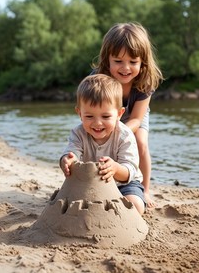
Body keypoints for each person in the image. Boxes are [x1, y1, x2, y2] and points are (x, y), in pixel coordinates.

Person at [93, 22, 163, 208]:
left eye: (133, 62)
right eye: (118, 61)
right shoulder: (99, 78)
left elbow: (137, 120)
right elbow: (90, 108)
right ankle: (98, 180)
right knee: (98, 141)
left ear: (143, 62)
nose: (126, 68)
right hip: (105, 112)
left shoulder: (144, 82)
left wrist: (116, 129)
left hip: (134, 114)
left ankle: (144, 188)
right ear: (107, 59)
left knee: (140, 141)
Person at [60, 74, 145, 215]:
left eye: (105, 117)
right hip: (91, 183)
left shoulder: (124, 135)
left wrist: (116, 168)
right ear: (79, 113)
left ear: (119, 114)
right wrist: (67, 160)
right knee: (66, 204)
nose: (97, 123)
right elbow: (72, 152)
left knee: (135, 205)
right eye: (89, 116)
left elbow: (129, 170)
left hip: (124, 184)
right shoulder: (78, 133)